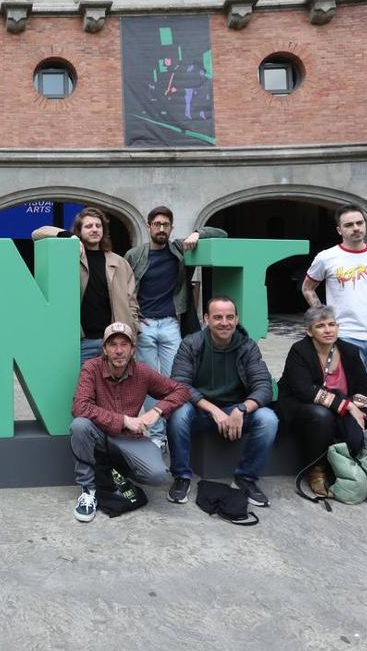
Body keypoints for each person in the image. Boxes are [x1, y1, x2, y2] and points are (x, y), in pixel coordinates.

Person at [302, 204, 367, 485]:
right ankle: (352, 457)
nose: (356, 228)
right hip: (344, 341)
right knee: (347, 403)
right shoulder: (327, 257)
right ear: (339, 230)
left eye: (359, 223)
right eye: (349, 225)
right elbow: (308, 287)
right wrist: (324, 318)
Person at [69, 322, 191, 523]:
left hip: (130, 440)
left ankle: (115, 473)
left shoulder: (142, 372)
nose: (118, 351)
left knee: (158, 475)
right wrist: (124, 420)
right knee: (79, 425)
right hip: (99, 434)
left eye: (124, 345)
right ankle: (88, 490)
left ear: (133, 349)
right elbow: (79, 407)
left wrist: (156, 411)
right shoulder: (91, 368)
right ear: (105, 349)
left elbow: (181, 390)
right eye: (113, 345)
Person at [125, 206, 226, 446]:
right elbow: (126, 290)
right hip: (144, 325)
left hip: (171, 324)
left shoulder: (179, 248)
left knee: (176, 382)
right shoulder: (134, 255)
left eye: (166, 225)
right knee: (149, 382)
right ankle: (158, 437)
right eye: (157, 224)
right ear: (148, 227)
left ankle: (175, 432)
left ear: (171, 228)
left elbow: (221, 234)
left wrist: (198, 233)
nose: (161, 229)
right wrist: (134, 320)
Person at [278, 305, 367, 498]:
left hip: (342, 408)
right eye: (320, 326)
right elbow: (304, 391)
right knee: (321, 414)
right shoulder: (299, 351)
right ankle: (316, 473)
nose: (328, 330)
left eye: (332, 324)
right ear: (309, 331)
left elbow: (365, 388)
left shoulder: (348, 350)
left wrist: (353, 405)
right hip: (304, 409)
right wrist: (347, 406)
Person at [166, 296, 278, 507]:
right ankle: (181, 476)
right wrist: (213, 410)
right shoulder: (192, 343)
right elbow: (179, 385)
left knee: (269, 419)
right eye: (217, 317)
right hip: (200, 411)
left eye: (229, 317)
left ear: (236, 319)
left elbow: (264, 387)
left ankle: (246, 479)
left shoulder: (247, 347)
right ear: (206, 319)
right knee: (178, 412)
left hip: (236, 411)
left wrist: (242, 409)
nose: (224, 322)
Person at [32, 207, 140, 364]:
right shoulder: (71, 258)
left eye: (98, 226)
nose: (94, 229)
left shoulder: (120, 263)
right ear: (79, 231)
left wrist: (133, 328)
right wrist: (68, 237)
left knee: (114, 388)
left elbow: (132, 302)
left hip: (114, 341)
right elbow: (38, 233)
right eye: (88, 226)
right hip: (82, 342)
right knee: (84, 387)